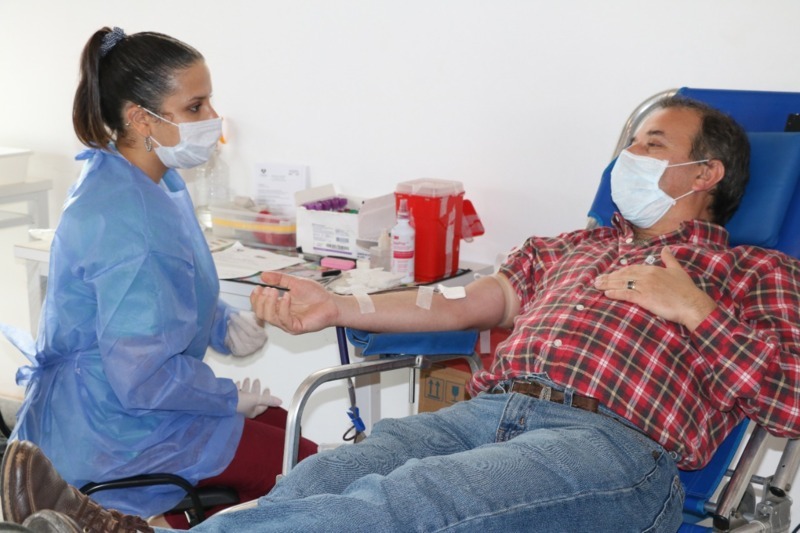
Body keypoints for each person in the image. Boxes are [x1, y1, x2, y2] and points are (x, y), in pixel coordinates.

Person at [4, 95, 800, 532]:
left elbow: (791, 396)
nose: (627, 156)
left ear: (708, 171)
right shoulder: (574, 244)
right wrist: (337, 305)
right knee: (325, 475)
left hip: (616, 447)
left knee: (410, 502)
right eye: (628, 142)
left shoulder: (756, 271)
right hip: (487, 413)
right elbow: (468, 300)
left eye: (652, 144)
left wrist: (697, 310)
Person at [0, 26, 316, 527]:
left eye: (210, 102)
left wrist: (224, 324)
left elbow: (165, 292)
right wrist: (227, 397)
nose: (213, 120)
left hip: (122, 406)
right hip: (115, 429)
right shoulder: (131, 219)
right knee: (309, 469)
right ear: (139, 117)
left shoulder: (145, 177)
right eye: (195, 107)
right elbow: (141, 377)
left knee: (287, 430)